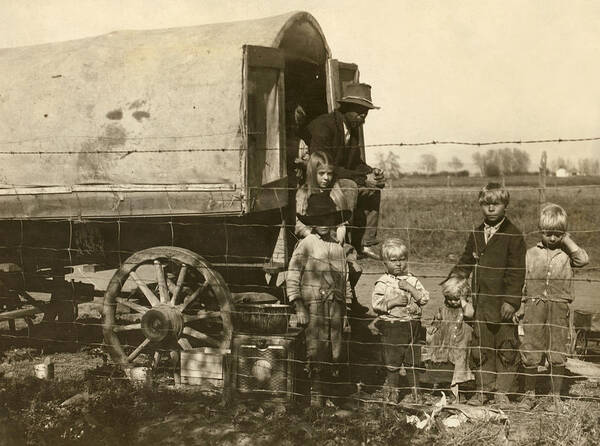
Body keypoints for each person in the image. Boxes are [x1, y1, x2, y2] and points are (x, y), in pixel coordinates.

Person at [447, 183, 526, 408]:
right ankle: (483, 390)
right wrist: (453, 284)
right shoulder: (476, 232)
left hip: (503, 304)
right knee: (481, 348)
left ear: (505, 205)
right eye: (486, 204)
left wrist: (511, 300)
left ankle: (502, 392)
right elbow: (465, 260)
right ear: (481, 205)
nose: (491, 208)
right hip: (481, 303)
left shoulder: (513, 235)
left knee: (506, 348)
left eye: (496, 204)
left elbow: (516, 271)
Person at [514, 203, 589, 411]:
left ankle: (556, 397)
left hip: (559, 307)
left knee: (557, 350)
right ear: (541, 231)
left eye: (558, 234)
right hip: (534, 307)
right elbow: (524, 282)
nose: (553, 239)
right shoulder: (531, 254)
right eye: (548, 234)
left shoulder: (567, 255)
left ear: (564, 234)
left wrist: (567, 240)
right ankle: (530, 394)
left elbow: (583, 259)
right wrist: (521, 307)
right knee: (531, 349)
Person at [302, 83, 385, 260]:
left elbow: (355, 163)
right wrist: (363, 178)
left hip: (337, 176)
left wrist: (373, 172)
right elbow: (323, 166)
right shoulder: (324, 126)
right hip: (320, 178)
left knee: (373, 190)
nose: (363, 117)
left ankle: (364, 244)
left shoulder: (351, 130)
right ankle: (342, 243)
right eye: (359, 112)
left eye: (366, 113)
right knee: (350, 187)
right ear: (346, 108)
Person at [286, 193, 352, 406]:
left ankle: (330, 393)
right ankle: (315, 395)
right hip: (313, 305)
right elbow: (293, 275)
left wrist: (345, 312)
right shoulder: (307, 244)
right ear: (312, 222)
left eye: (328, 219)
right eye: (319, 219)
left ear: (334, 221)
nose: (324, 224)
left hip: (336, 307)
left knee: (335, 348)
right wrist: (298, 306)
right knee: (316, 347)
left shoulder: (338, 247)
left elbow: (346, 280)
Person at [296, 151, 368, 315]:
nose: (326, 178)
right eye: (321, 174)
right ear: (313, 173)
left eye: (329, 174)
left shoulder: (335, 192)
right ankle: (319, 300)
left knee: (352, 266)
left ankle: (344, 296)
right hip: (311, 240)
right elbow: (299, 224)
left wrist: (341, 228)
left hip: (334, 240)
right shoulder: (303, 193)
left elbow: (341, 218)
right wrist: (312, 236)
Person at [371, 238, 429, 404]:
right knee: (393, 360)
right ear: (385, 262)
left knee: (413, 359)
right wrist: (393, 302)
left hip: (412, 325)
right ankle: (392, 391)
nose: (399, 264)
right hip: (393, 326)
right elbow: (376, 305)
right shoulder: (383, 282)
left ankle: (417, 392)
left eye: (402, 260)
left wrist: (411, 289)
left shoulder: (412, 280)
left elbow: (424, 299)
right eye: (393, 260)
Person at [424, 276, 475, 403]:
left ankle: (460, 392)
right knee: (447, 366)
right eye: (449, 299)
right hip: (445, 343)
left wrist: (463, 300)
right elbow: (437, 319)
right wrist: (433, 327)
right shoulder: (443, 308)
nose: (452, 302)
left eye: (455, 299)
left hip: (461, 344)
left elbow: (470, 314)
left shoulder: (466, 308)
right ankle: (446, 388)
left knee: (460, 367)